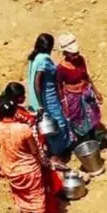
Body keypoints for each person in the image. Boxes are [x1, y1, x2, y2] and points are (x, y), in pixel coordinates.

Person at [0, 96, 57, 213]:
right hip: (29, 169)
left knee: (21, 199)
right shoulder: (23, 129)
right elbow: (34, 151)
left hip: (11, 171)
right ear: (14, 112)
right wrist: (42, 164)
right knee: (38, 198)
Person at [1, 83, 68, 213]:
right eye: (21, 96)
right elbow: (28, 135)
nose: (24, 98)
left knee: (29, 192)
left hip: (21, 158)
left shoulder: (11, 111)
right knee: (44, 186)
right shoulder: (16, 116)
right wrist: (41, 158)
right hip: (32, 155)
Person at [24, 34, 74, 162]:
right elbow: (37, 82)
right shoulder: (44, 60)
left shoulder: (34, 58)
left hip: (43, 98)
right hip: (48, 99)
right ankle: (59, 154)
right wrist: (41, 104)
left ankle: (56, 150)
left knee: (52, 125)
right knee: (59, 124)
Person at [55, 33, 104, 140]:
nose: (76, 56)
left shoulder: (81, 60)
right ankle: (84, 142)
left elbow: (86, 76)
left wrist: (96, 91)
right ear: (66, 53)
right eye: (73, 54)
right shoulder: (60, 69)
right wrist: (63, 104)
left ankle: (93, 139)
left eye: (77, 53)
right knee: (78, 120)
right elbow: (59, 86)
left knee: (92, 117)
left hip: (86, 93)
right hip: (73, 99)